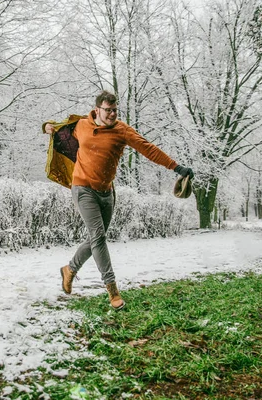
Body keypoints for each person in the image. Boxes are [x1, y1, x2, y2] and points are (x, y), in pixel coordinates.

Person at [43, 90, 194, 310]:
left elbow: (148, 149)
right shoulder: (82, 125)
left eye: (115, 110)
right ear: (97, 110)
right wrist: (46, 126)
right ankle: (112, 290)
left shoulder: (122, 131)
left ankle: (70, 269)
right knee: (98, 237)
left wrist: (177, 168)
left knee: (97, 238)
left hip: (106, 192)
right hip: (82, 188)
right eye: (108, 110)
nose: (113, 114)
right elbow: (60, 129)